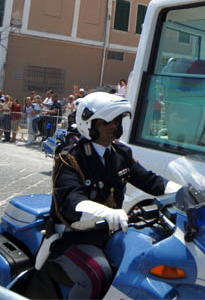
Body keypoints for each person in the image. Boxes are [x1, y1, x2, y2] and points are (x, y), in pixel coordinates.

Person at [47, 92, 180, 298]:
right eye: (106, 122)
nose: (113, 126)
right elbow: (71, 203)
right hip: (72, 236)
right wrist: (108, 213)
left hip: (111, 233)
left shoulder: (121, 154)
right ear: (89, 124)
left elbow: (150, 180)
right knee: (96, 275)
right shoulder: (71, 158)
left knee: (146, 262)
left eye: (116, 120)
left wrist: (184, 191)